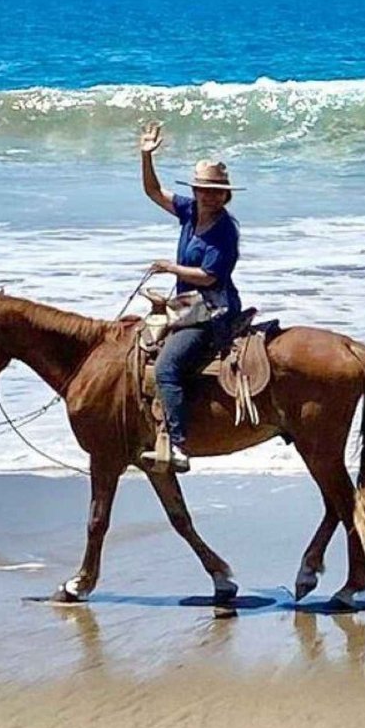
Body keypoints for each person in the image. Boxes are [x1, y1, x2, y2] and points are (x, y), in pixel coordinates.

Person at [138, 121, 244, 472]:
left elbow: (210, 275)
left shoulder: (225, 229)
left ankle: (178, 443)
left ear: (225, 195)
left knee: (167, 367)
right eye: (203, 190)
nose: (209, 196)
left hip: (214, 309)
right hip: (188, 306)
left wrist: (170, 268)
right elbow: (153, 192)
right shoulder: (189, 212)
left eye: (216, 192)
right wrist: (146, 156)